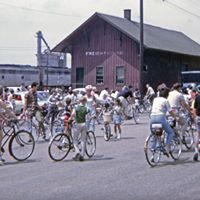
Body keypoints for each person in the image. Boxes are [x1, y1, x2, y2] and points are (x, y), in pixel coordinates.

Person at [150, 86, 177, 155]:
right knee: (170, 132)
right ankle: (167, 147)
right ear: (167, 95)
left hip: (152, 117)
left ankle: (153, 149)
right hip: (161, 117)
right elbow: (170, 111)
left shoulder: (155, 99)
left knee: (156, 133)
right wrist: (175, 117)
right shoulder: (165, 100)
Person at [0, 85, 18, 164]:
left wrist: (5, 119)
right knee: (0, 138)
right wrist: (16, 118)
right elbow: (8, 111)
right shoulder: (0, 102)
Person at [71, 96, 89, 161]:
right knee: (83, 140)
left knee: (75, 139)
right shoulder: (86, 108)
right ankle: (82, 155)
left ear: (79, 101)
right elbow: (89, 116)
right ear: (84, 101)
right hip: (84, 124)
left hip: (77, 124)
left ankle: (77, 152)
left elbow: (72, 114)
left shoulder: (76, 107)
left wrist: (73, 118)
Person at [192, 92, 200, 161]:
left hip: (198, 117)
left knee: (197, 134)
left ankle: (196, 150)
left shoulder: (197, 97)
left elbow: (194, 108)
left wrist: (194, 117)